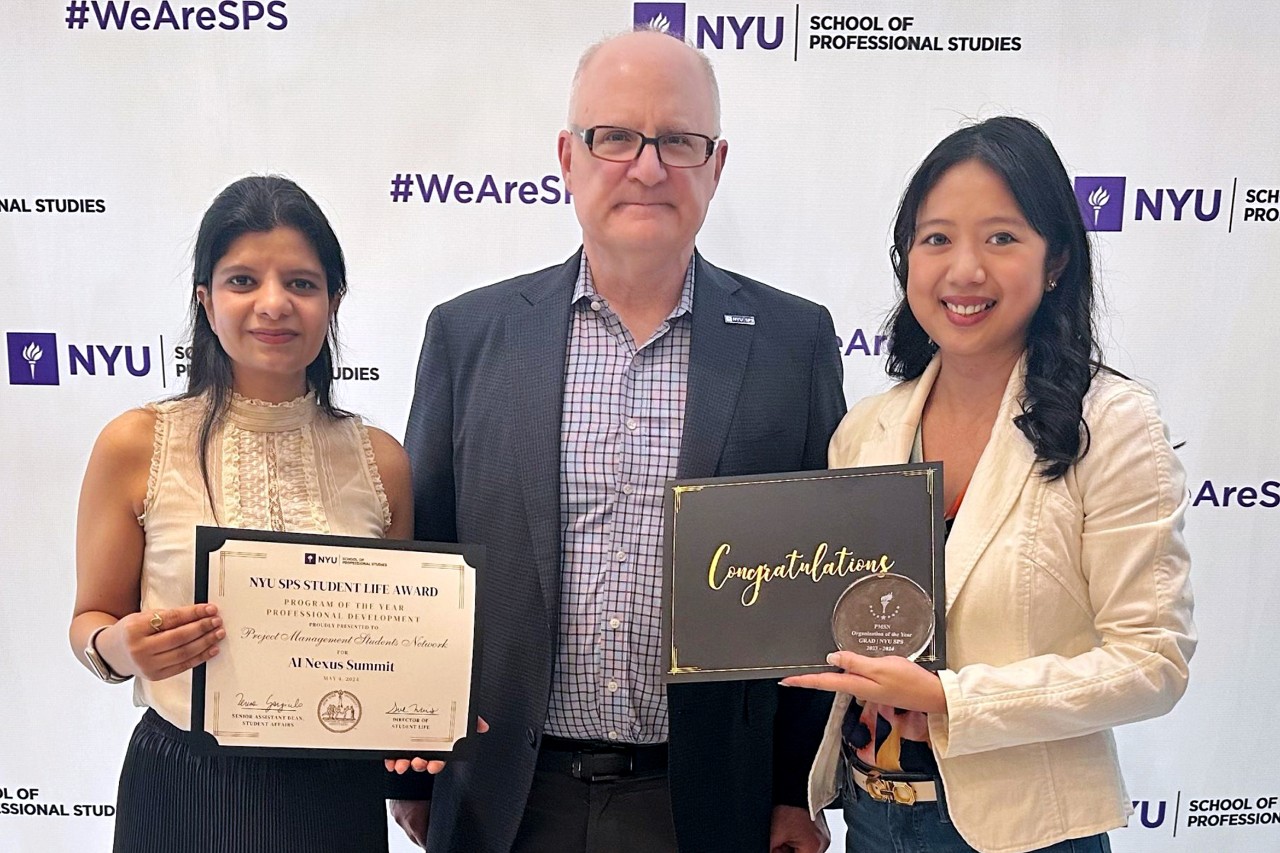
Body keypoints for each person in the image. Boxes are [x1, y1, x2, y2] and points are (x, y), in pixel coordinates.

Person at [390, 27, 846, 853]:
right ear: (567, 157)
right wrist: (413, 767)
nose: (647, 166)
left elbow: (816, 592)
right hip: (505, 798)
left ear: (717, 162)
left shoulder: (794, 341)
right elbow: (427, 558)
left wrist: (794, 789)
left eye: (679, 140)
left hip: (707, 805)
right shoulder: (468, 335)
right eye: (615, 137)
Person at [781, 116, 1195, 853]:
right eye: (936, 238)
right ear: (906, 256)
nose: (964, 269)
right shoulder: (866, 430)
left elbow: (1151, 660)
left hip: (1027, 830)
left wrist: (950, 700)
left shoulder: (1113, 424)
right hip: (870, 819)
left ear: (1057, 257)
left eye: (1001, 238)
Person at [69, 175, 413, 852]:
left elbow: (399, 646)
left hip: (333, 789)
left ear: (334, 300)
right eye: (243, 280)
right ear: (206, 298)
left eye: (303, 283)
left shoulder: (382, 461)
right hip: (183, 782)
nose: (274, 304)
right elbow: (91, 621)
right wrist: (121, 647)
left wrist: (431, 718)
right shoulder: (136, 443)